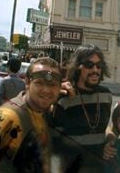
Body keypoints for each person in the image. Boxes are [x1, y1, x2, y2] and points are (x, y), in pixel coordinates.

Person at [0, 57, 62, 172]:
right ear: (28, 82)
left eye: (53, 85)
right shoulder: (9, 116)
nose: (46, 90)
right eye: (39, 83)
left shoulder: (42, 111)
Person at [48, 44, 112, 172]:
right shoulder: (64, 99)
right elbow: (54, 144)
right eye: (89, 65)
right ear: (78, 66)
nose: (95, 70)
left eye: (99, 66)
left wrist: (109, 140)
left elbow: (104, 129)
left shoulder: (106, 96)